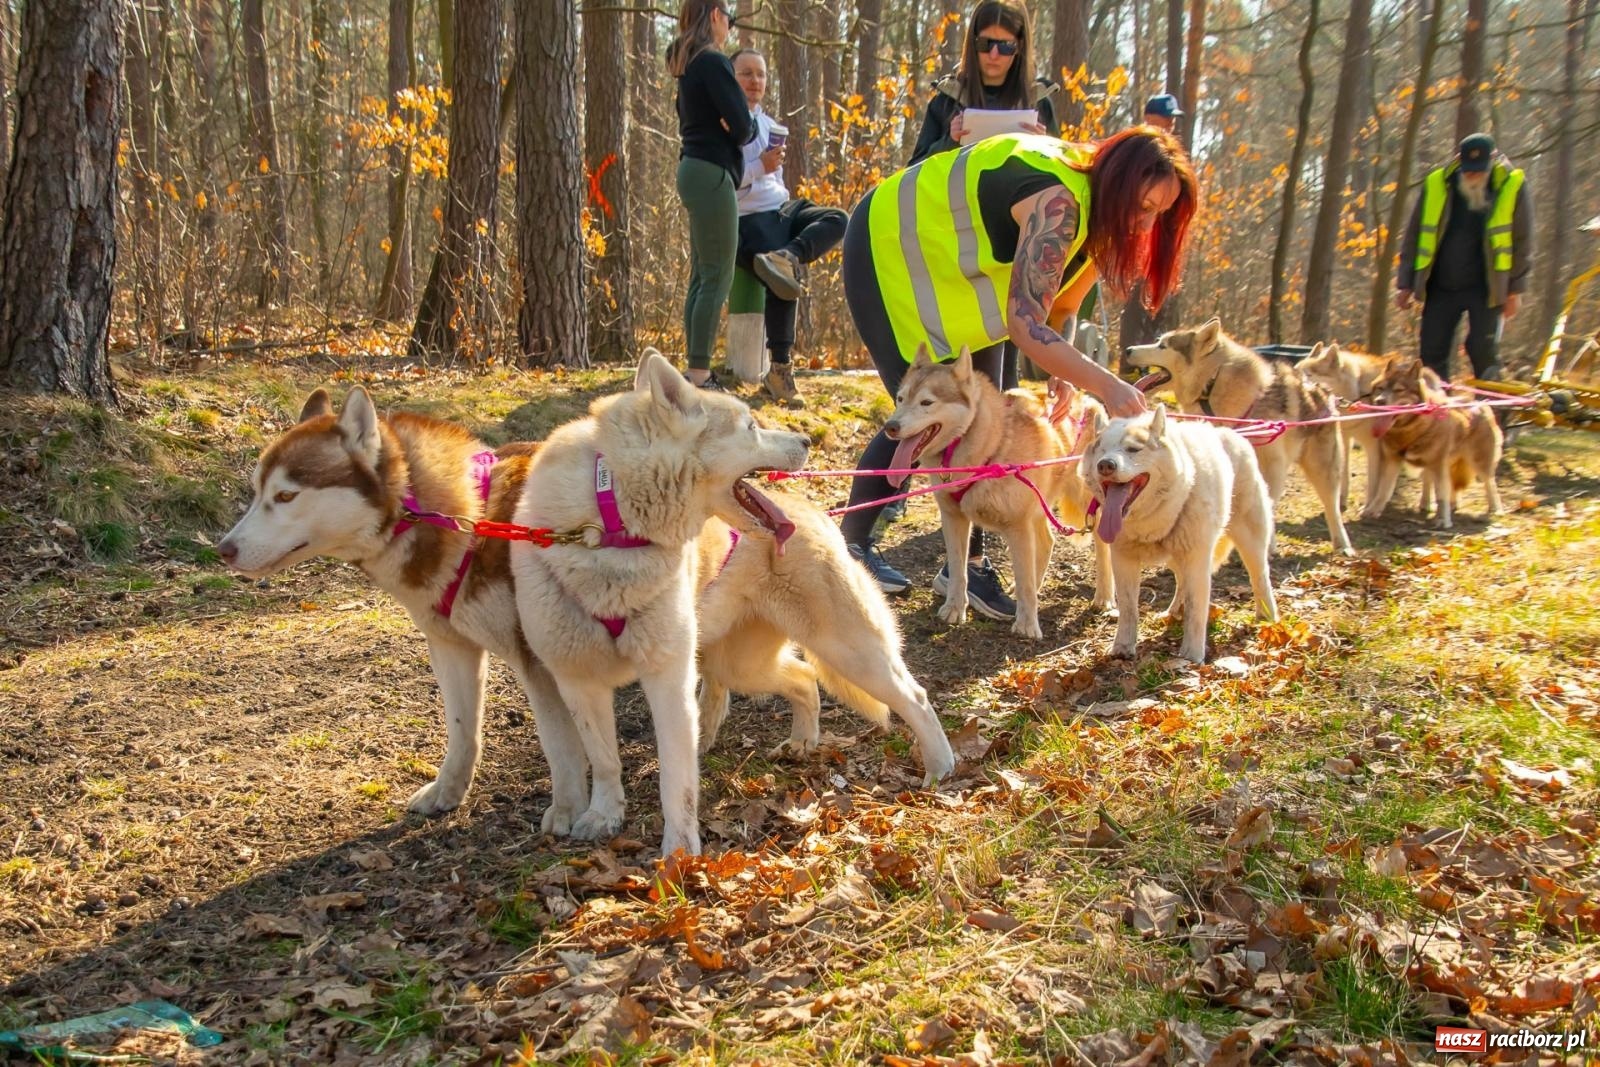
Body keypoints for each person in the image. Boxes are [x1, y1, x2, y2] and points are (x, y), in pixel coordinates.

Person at [839, 128, 1198, 617]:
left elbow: (1063, 303)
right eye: (1143, 206)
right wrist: (1107, 386)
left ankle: (966, 567)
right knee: (928, 411)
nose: (1144, 223)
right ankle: (851, 547)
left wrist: (1066, 373)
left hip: (966, 284)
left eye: (1159, 214)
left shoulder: (1103, 223)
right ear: (1117, 183)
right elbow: (1026, 326)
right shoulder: (1059, 201)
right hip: (893, 251)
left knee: (988, 422)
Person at [730, 47, 848, 409]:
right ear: (731, 80)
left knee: (838, 219)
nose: (755, 81)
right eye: (746, 73)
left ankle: (788, 253)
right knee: (780, 278)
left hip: (782, 207)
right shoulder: (726, 124)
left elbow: (776, 180)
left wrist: (776, 180)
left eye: (761, 74)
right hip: (746, 217)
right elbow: (724, 184)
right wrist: (759, 167)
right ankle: (779, 370)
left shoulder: (770, 125)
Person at [1396, 132, 1532, 382]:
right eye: (1468, 170)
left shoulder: (1512, 185)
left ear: (1493, 162)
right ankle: (1439, 414)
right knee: (1431, 352)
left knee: (1482, 351)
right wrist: (1405, 283)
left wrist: (1515, 291)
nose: (1473, 175)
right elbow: (1413, 235)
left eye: (1479, 170)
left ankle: (1491, 413)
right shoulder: (1437, 184)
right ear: (1458, 161)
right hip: (1440, 285)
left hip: (1487, 288)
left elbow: (1522, 243)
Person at [667, 0, 754, 388]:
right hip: (712, 172)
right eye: (729, 20)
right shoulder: (713, 62)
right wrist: (733, 124)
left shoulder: (687, 66)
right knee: (717, 274)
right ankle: (700, 374)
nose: (730, 28)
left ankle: (694, 368)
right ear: (717, 15)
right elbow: (744, 126)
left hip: (692, 169)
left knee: (701, 275)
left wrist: (727, 123)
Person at [909, 1, 1061, 170]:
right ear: (973, 43)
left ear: (1019, 47)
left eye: (1005, 46)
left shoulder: (1038, 103)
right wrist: (948, 141)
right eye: (985, 44)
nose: (994, 54)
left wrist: (1045, 148)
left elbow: (1060, 178)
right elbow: (912, 174)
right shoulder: (946, 102)